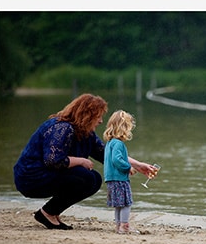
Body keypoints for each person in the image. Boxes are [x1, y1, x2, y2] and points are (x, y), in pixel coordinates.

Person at [13, 93, 157, 230]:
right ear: (87, 115)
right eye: (98, 116)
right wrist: (81, 161)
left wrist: (138, 165)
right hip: (30, 178)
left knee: (94, 179)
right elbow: (52, 160)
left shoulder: (85, 133)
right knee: (86, 177)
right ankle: (48, 213)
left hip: (47, 175)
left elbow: (106, 154)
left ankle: (49, 212)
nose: (101, 121)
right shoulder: (62, 128)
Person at [103, 110, 147, 234]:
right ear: (124, 128)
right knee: (126, 203)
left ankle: (118, 226)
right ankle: (125, 225)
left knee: (119, 204)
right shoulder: (118, 144)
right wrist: (128, 168)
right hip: (120, 179)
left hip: (111, 179)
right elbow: (117, 160)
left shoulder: (109, 143)